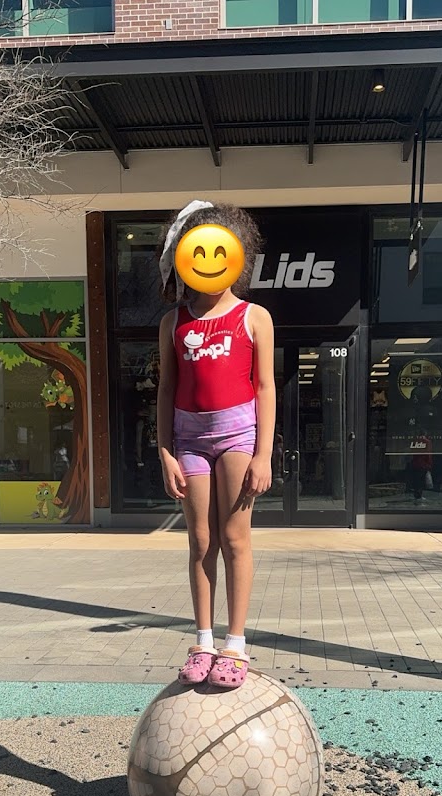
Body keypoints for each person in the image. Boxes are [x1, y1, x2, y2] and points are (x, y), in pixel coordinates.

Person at [156, 201, 276, 689]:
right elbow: (166, 388)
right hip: (188, 438)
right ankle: (203, 640)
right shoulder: (173, 322)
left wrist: (264, 454)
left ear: (238, 255)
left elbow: (265, 386)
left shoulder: (254, 317)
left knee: (235, 538)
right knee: (200, 541)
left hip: (237, 436)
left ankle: (236, 643)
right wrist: (165, 451)